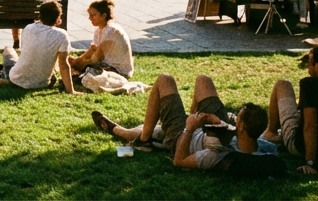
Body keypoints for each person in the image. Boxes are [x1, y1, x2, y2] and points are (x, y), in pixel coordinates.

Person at [92, 74, 278, 172]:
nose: (235, 117)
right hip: (206, 127)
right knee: (203, 80)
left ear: (242, 127)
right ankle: (129, 132)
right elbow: (271, 149)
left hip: (183, 137)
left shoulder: (217, 155)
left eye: (239, 117)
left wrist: (189, 128)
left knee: (164, 80)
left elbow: (179, 161)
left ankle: (140, 138)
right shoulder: (263, 146)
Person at [0, 0, 80, 95]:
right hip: (42, 83)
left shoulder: (28, 28)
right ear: (58, 18)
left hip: (16, 78)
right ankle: (5, 75)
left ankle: (5, 76)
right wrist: (71, 91)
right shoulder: (62, 35)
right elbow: (63, 65)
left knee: (8, 49)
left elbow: (26, 52)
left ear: (40, 16)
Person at [69, 0, 134, 77]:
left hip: (119, 70)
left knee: (86, 70)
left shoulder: (111, 31)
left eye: (93, 15)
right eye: (89, 15)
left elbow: (97, 58)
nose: (90, 18)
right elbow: (93, 49)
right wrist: (78, 59)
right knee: (79, 67)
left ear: (103, 16)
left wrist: (78, 64)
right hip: (106, 64)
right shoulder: (98, 30)